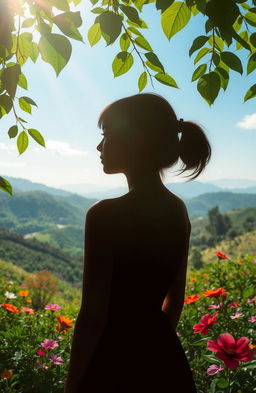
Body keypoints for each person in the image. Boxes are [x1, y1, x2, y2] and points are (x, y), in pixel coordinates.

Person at [64, 93, 211, 393]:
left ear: (136, 140)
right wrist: (152, 347)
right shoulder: (177, 210)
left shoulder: (104, 215)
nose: (99, 146)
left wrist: (73, 384)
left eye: (106, 136)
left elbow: (93, 315)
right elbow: (174, 300)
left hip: (110, 362)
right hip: (163, 359)